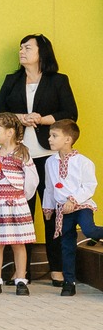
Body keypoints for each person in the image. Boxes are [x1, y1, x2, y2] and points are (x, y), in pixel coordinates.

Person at [0, 34, 77, 284]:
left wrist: (41, 119)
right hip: (18, 157)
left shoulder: (58, 80)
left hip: (48, 157)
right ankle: (21, 272)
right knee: (21, 214)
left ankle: (56, 268)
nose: (22, 51)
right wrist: (21, 117)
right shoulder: (12, 80)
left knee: (52, 212)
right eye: (21, 48)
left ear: (42, 52)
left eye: (28, 48)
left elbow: (70, 113)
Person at [0, 112, 37, 295]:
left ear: (10, 132)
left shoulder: (22, 153)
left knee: (19, 243)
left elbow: (32, 179)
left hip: (15, 204)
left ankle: (20, 280)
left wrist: (20, 197)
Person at [43, 121, 103, 296]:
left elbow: (89, 186)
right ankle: (69, 282)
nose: (49, 139)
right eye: (50, 135)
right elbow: (49, 187)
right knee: (67, 245)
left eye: (54, 136)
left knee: (89, 229)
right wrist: (48, 207)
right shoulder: (50, 162)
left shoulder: (83, 162)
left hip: (81, 206)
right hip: (63, 210)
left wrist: (73, 200)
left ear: (68, 139)